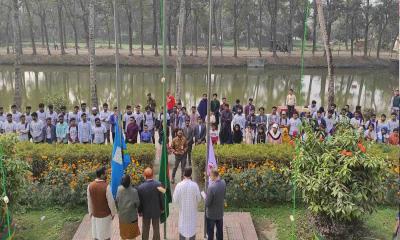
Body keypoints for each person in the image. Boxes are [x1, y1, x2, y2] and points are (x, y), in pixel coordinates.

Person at [87, 167, 117, 240]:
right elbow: (111, 202)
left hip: (95, 215)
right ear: (101, 175)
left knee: (96, 235)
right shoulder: (106, 186)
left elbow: (89, 201)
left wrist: (90, 212)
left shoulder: (90, 186)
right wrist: (113, 213)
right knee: (105, 236)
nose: (106, 175)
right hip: (105, 217)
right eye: (105, 173)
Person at [173, 167, 201, 240]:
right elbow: (199, 199)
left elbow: (175, 199)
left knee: (182, 231)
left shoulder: (179, 185)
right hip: (192, 214)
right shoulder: (195, 185)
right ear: (191, 174)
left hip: (183, 213)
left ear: (183, 174)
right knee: (192, 232)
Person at [137, 168, 164, 240]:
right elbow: (162, 198)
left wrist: (139, 211)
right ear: (152, 175)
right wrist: (162, 208)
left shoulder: (140, 188)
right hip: (156, 210)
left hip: (145, 212)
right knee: (156, 229)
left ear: (144, 176)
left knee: (145, 229)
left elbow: (140, 202)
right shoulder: (159, 184)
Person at [116, 174, 141, 240]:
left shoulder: (119, 189)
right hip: (132, 218)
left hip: (122, 218)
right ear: (130, 181)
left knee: (123, 236)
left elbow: (117, 200)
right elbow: (137, 204)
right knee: (132, 237)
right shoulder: (134, 191)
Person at [205, 168, 226, 240]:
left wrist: (205, 197)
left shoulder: (211, 187)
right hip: (220, 212)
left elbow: (207, 203)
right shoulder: (223, 182)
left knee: (210, 231)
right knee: (220, 231)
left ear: (214, 176)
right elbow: (223, 195)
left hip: (211, 214)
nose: (210, 177)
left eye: (210, 176)